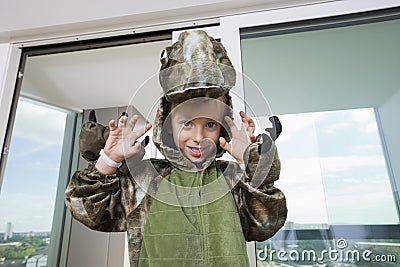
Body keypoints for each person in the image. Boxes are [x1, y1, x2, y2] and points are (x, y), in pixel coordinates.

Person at [65, 29, 287, 267]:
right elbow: (87, 210)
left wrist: (250, 162)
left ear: (223, 127)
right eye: (187, 123)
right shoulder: (143, 180)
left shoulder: (232, 179)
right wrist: (108, 160)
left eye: (210, 124)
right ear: (168, 124)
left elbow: (265, 224)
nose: (199, 137)